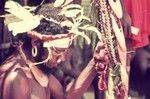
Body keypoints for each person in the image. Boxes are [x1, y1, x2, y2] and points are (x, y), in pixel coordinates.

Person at [0, 1, 108, 99]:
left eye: (64, 51)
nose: (62, 58)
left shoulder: (35, 64)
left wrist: (94, 63)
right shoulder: (16, 79)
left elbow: (65, 96)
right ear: (36, 43)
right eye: (58, 50)